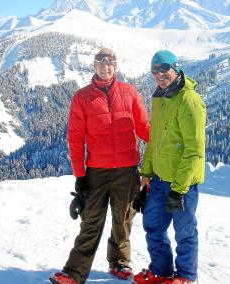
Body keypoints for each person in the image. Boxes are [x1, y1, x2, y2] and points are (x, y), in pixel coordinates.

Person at [49, 47, 150, 284]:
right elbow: (75, 138)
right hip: (97, 171)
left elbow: (145, 128)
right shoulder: (82, 97)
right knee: (91, 221)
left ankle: (120, 262)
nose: (107, 67)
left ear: (115, 67)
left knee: (123, 219)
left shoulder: (130, 93)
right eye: (102, 63)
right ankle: (74, 273)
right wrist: (80, 175)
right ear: (94, 66)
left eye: (111, 64)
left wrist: (165, 150)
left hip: (127, 169)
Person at [132, 50, 206, 284]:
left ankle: (185, 276)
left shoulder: (189, 100)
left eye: (164, 69)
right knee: (152, 225)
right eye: (155, 71)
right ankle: (161, 270)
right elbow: (154, 141)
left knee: (184, 231)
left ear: (176, 68)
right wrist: (146, 174)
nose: (160, 75)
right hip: (159, 179)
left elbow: (194, 150)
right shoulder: (160, 97)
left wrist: (179, 187)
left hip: (182, 183)